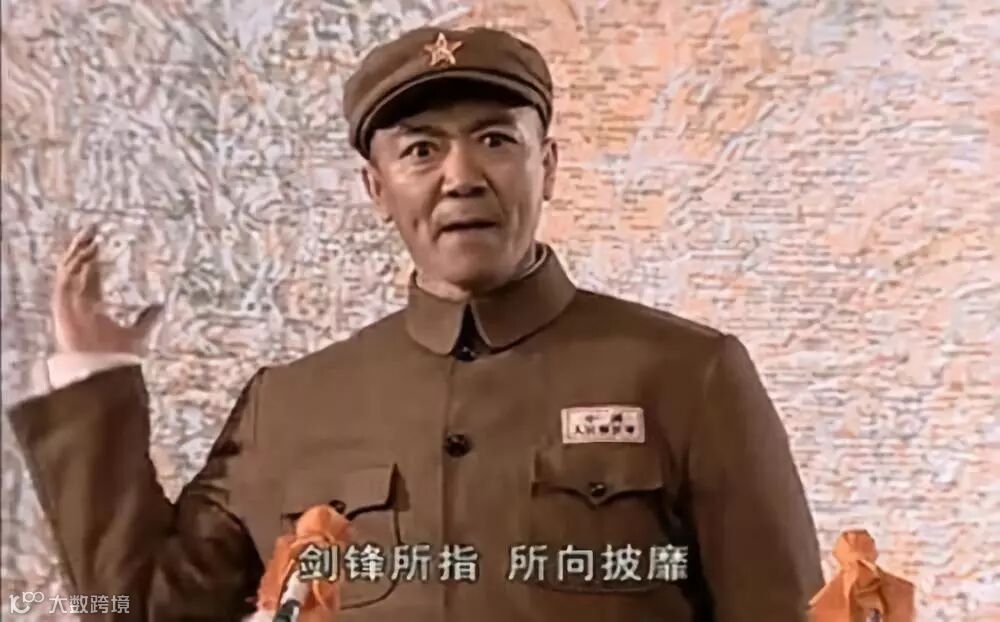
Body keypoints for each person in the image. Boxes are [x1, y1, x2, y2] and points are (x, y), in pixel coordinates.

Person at [8, 26, 824, 621]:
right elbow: (147, 611)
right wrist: (94, 379)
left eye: (495, 140)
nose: (461, 177)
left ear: (547, 165)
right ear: (377, 188)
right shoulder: (287, 407)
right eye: (421, 151)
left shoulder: (687, 374)